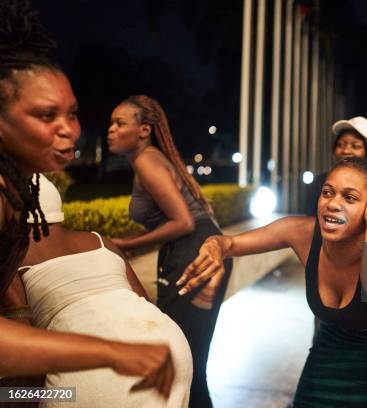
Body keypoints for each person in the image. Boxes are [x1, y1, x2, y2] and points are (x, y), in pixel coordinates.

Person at [0, 0, 174, 395]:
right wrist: (108, 352)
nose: (69, 131)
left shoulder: (16, 192)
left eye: (73, 113)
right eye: (47, 116)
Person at [178, 157, 367, 407]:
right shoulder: (303, 233)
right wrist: (214, 247)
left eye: (350, 198)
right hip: (331, 345)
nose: (333, 204)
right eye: (328, 192)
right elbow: (229, 243)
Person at [4, 175, 193, 407]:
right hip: (167, 349)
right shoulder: (100, 240)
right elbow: (143, 301)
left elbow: (27, 364)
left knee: (8, 394)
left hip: (90, 375)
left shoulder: (11, 256)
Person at [108, 95, 232, 407]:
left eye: (119, 123)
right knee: (186, 362)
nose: (110, 129)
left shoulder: (147, 160)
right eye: (111, 123)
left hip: (196, 254)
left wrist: (125, 245)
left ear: (144, 130)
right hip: (195, 250)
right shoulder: (149, 159)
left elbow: (184, 221)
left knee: (183, 363)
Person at [304, 116, 367, 236]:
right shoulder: (319, 182)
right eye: (340, 145)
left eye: (355, 146)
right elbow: (308, 229)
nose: (346, 151)